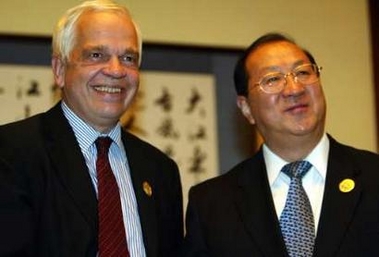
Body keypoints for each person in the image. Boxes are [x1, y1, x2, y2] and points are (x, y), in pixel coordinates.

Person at [0, 0, 183, 256]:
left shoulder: (160, 170)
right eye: (96, 55)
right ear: (60, 70)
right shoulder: (12, 153)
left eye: (128, 58)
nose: (116, 70)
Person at [181, 32, 379, 257]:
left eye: (303, 72)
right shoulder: (212, 205)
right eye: (273, 79)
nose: (294, 89)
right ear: (246, 108)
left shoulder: (373, 177)